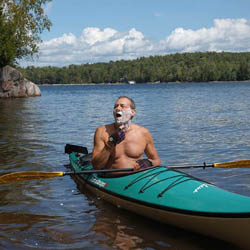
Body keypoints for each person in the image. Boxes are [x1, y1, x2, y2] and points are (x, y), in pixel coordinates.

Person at [92, 96, 161, 170]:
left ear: (133, 112)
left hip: (136, 177)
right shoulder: (102, 131)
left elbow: (157, 161)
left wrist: (149, 163)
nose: (118, 109)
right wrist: (110, 143)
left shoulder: (143, 133)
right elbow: (96, 166)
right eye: (115, 106)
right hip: (110, 177)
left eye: (122, 106)